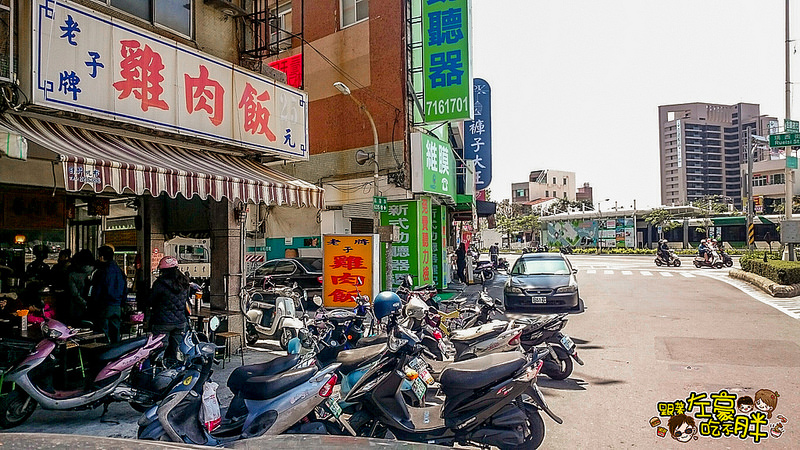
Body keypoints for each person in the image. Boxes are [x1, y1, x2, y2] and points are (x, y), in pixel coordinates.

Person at [148, 256, 190, 363]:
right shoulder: (184, 282)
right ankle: (174, 373)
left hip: (162, 323)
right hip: (180, 322)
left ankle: (160, 373)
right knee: (176, 351)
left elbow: (151, 301)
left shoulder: (159, 284)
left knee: (160, 351)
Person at [91, 245, 127, 343]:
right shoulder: (120, 271)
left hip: (104, 307)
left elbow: (96, 291)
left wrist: (92, 304)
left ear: (102, 257)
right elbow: (125, 290)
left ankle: (105, 356)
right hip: (117, 306)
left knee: (103, 335)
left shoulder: (101, 272)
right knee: (115, 334)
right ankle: (117, 355)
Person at [66, 249, 95, 326]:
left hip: (76, 309)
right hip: (93, 307)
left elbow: (74, 293)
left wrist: (83, 303)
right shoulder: (95, 272)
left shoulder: (72, 275)